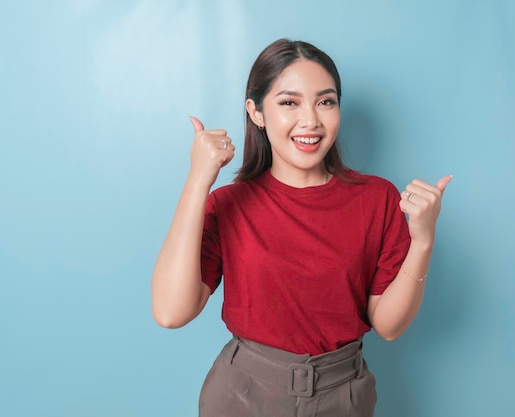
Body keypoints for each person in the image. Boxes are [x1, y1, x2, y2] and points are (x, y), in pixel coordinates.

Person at [151, 38, 452, 417]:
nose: (310, 120)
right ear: (256, 112)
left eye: (325, 101)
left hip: (344, 396)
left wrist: (422, 241)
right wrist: (198, 180)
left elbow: (388, 325)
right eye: (289, 102)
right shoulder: (228, 204)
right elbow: (170, 312)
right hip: (243, 397)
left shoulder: (377, 199)